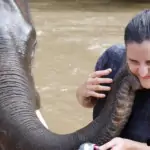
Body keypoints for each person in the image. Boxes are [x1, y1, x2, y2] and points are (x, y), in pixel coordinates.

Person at [76, 9, 150, 150]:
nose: (142, 72)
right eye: (133, 61)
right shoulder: (113, 60)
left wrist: (130, 146)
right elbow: (86, 102)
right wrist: (84, 92)